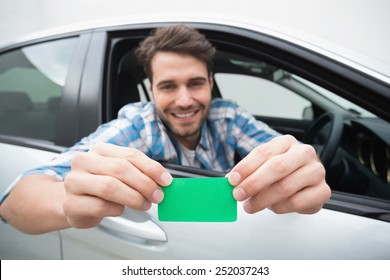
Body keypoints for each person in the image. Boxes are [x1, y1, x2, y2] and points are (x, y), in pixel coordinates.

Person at [0, 24, 331, 234]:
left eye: (196, 84)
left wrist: (303, 170)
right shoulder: (138, 126)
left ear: (211, 84)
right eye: (169, 86)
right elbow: (13, 201)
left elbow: (285, 156)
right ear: (152, 90)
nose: (185, 100)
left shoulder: (227, 116)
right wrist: (64, 202)